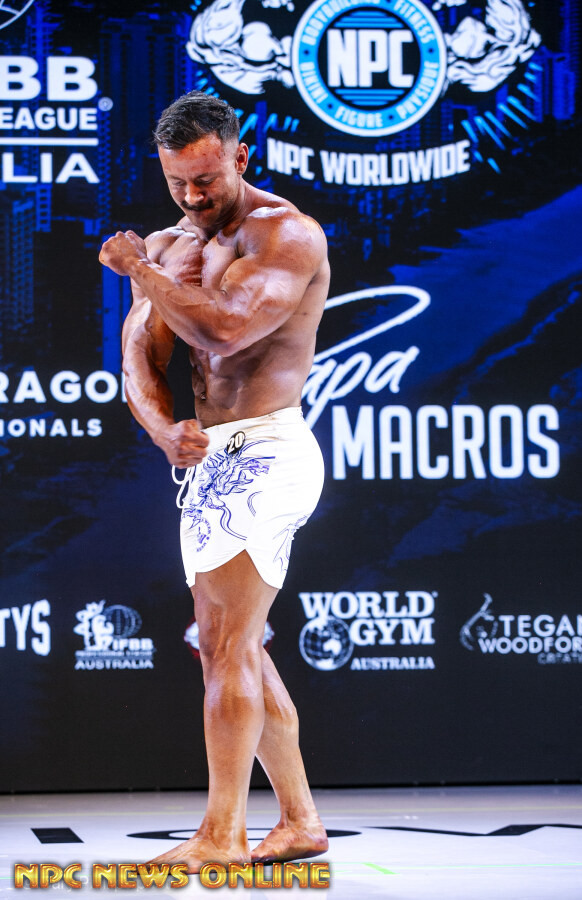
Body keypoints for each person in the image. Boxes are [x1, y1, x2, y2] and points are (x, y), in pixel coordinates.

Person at [99, 91, 330, 872]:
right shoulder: (168, 246)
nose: (193, 197)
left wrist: (138, 270)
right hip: (213, 457)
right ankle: (299, 821)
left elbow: (226, 328)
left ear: (240, 157)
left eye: (206, 180)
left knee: (227, 642)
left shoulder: (285, 234)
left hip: (269, 448)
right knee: (229, 647)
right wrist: (165, 430)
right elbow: (138, 356)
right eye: (178, 183)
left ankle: (222, 836)